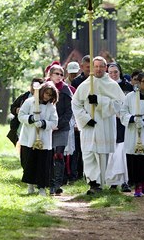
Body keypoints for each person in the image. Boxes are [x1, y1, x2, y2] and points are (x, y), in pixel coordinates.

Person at [72, 56, 125, 194]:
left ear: (105, 67)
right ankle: (93, 183)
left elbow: (120, 105)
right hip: (89, 126)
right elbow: (76, 103)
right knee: (89, 154)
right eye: (96, 66)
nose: (98, 69)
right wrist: (85, 119)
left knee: (103, 155)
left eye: (101, 66)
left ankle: (106, 181)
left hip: (104, 125)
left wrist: (99, 101)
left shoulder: (112, 85)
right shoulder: (86, 84)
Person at [18, 81, 59, 196]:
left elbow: (55, 122)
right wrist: (31, 119)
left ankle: (42, 187)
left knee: (43, 164)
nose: (48, 97)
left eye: (50, 95)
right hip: (29, 138)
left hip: (44, 140)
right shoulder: (29, 102)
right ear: (41, 92)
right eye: (46, 94)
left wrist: (44, 123)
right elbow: (21, 116)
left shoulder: (51, 107)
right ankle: (30, 185)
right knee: (29, 161)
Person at [46, 63, 73, 195]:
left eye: (61, 74)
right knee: (49, 155)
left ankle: (57, 184)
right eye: (56, 74)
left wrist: (59, 124)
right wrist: (49, 124)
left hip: (62, 128)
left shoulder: (65, 90)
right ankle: (49, 183)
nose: (59, 76)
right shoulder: (44, 89)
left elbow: (69, 111)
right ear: (50, 75)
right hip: (47, 127)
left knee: (59, 154)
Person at [105, 63, 133, 192]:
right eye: (110, 72)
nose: (113, 74)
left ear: (120, 72)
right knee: (112, 153)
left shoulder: (128, 86)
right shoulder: (104, 86)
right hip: (109, 122)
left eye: (115, 72)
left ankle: (125, 181)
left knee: (122, 152)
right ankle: (113, 181)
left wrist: (122, 114)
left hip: (124, 123)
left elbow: (131, 103)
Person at [8, 78, 44, 147]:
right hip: (22, 126)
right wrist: (16, 110)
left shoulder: (44, 99)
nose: (33, 89)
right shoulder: (24, 96)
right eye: (32, 86)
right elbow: (12, 107)